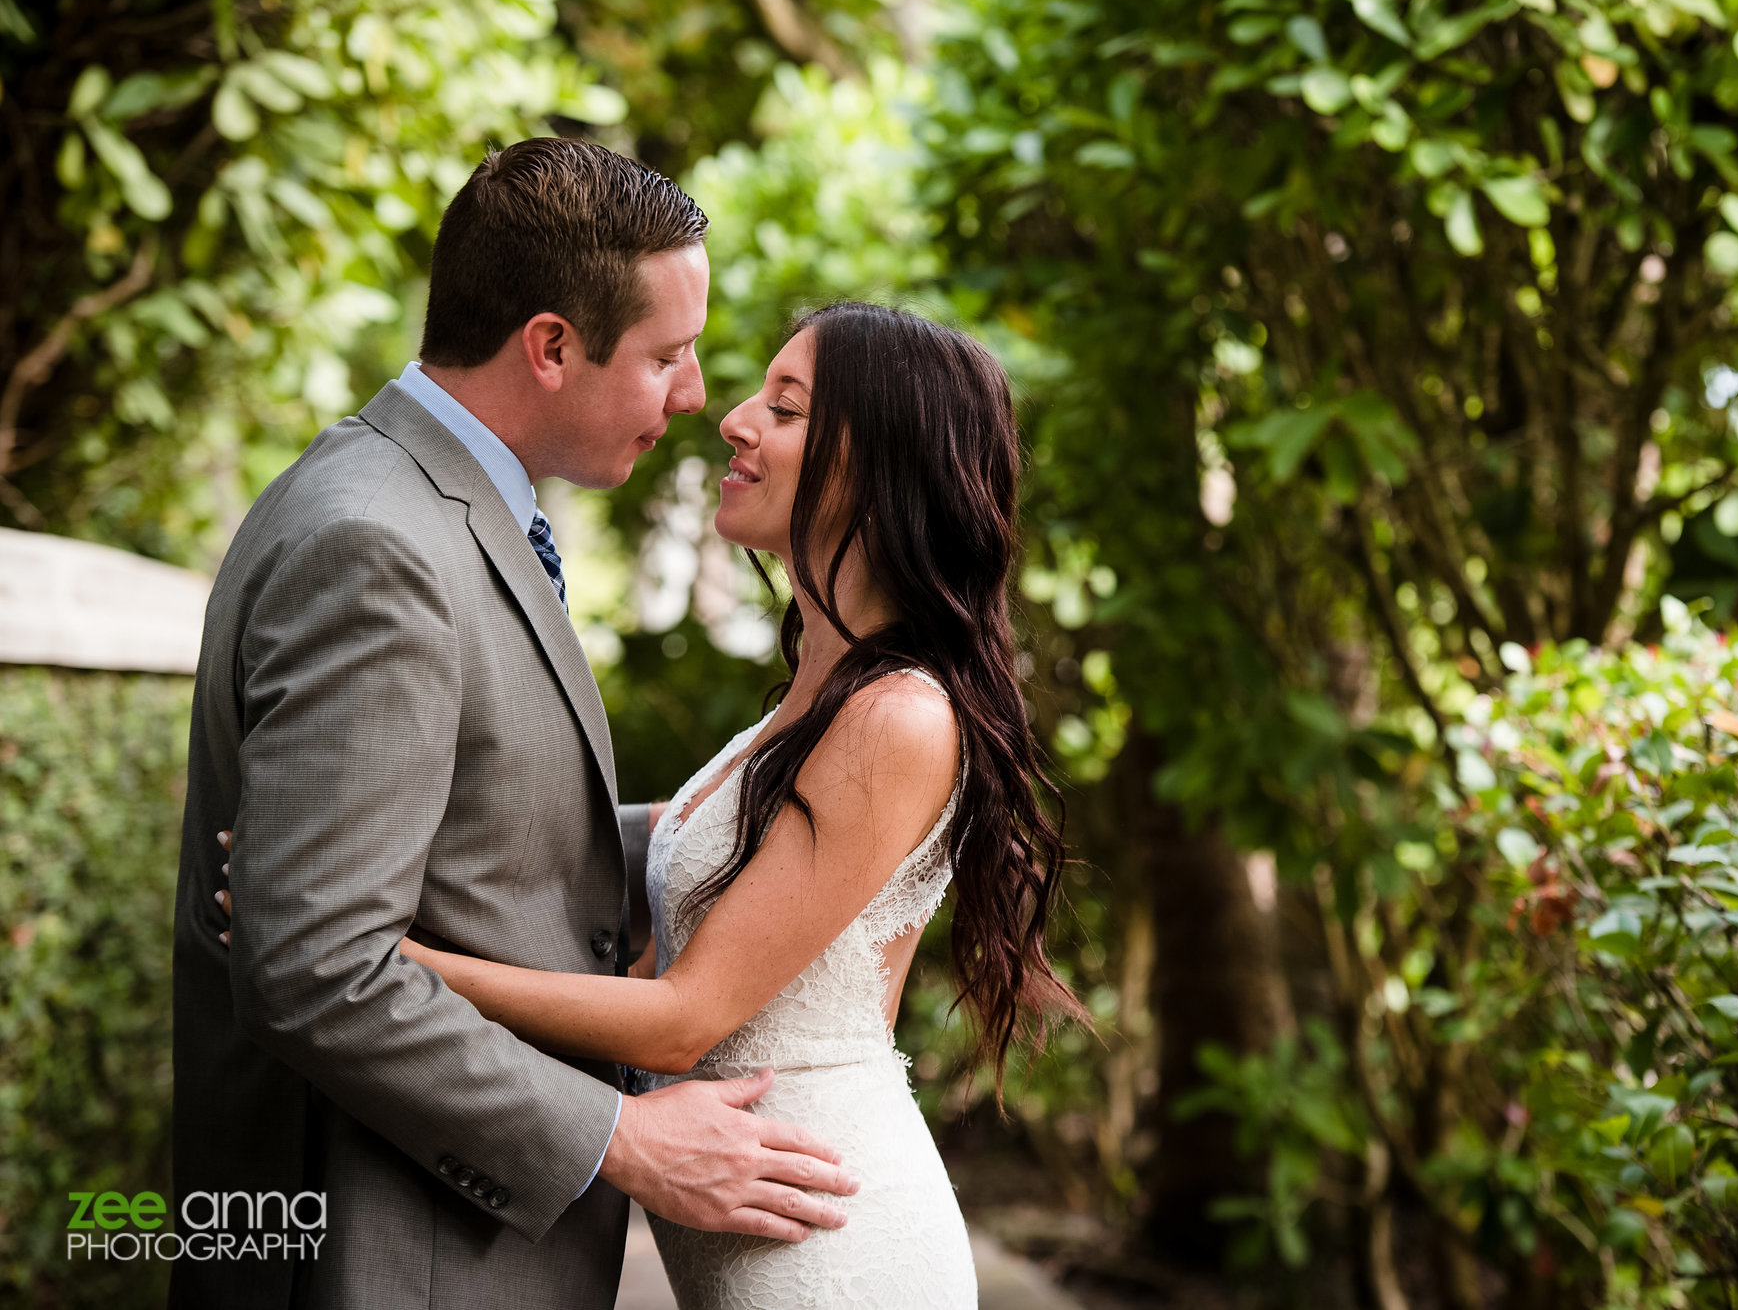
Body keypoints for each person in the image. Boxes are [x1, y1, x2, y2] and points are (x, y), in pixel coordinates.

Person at [224, 301, 1086, 1306]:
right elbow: (662, 851)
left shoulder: (897, 714)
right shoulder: (826, 686)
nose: (730, 417)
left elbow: (680, 1019)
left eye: (786, 406)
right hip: (756, 1225)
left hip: (823, 1239)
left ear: (877, 460)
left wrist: (388, 955)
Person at [172, 137, 858, 1310]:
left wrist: (803, 821)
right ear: (549, 345)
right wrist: (616, 1137)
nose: (696, 396)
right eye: (667, 355)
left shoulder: (432, 505)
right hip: (387, 1258)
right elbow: (313, 970)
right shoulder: (377, 543)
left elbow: (488, 818)